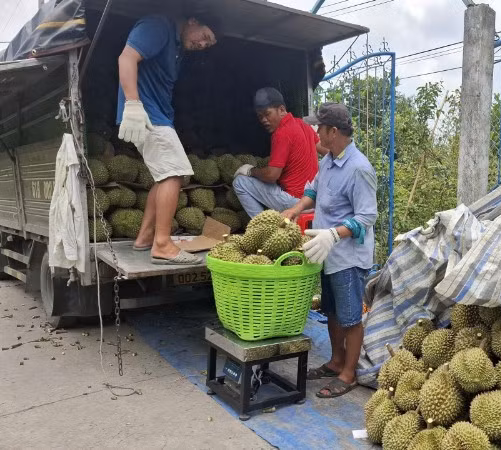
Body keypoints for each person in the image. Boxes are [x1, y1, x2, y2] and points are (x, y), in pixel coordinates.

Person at [282, 103, 377, 398]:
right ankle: (336, 362)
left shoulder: (359, 168)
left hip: (348, 257)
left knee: (350, 317)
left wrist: (334, 234)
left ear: (333, 131)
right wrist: (295, 209)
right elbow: (314, 190)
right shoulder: (328, 160)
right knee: (332, 311)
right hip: (328, 254)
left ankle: (349, 374)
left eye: (319, 128)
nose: (316, 133)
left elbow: (367, 217)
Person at [118, 14, 218, 265]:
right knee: (174, 173)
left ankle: (145, 236)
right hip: (147, 114)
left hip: (159, 116)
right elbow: (126, 57)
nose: (202, 44)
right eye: (205, 36)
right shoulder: (158, 26)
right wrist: (133, 104)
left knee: (165, 176)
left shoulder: (177, 48)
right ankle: (162, 245)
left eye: (208, 44)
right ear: (193, 21)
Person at [232, 87, 327, 217]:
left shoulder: (281, 133)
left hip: (295, 202)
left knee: (240, 182)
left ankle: (263, 226)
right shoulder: (302, 124)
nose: (263, 120)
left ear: (281, 110)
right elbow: (325, 150)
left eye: (267, 114)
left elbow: (272, 175)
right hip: (313, 200)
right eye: (260, 116)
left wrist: (250, 171)